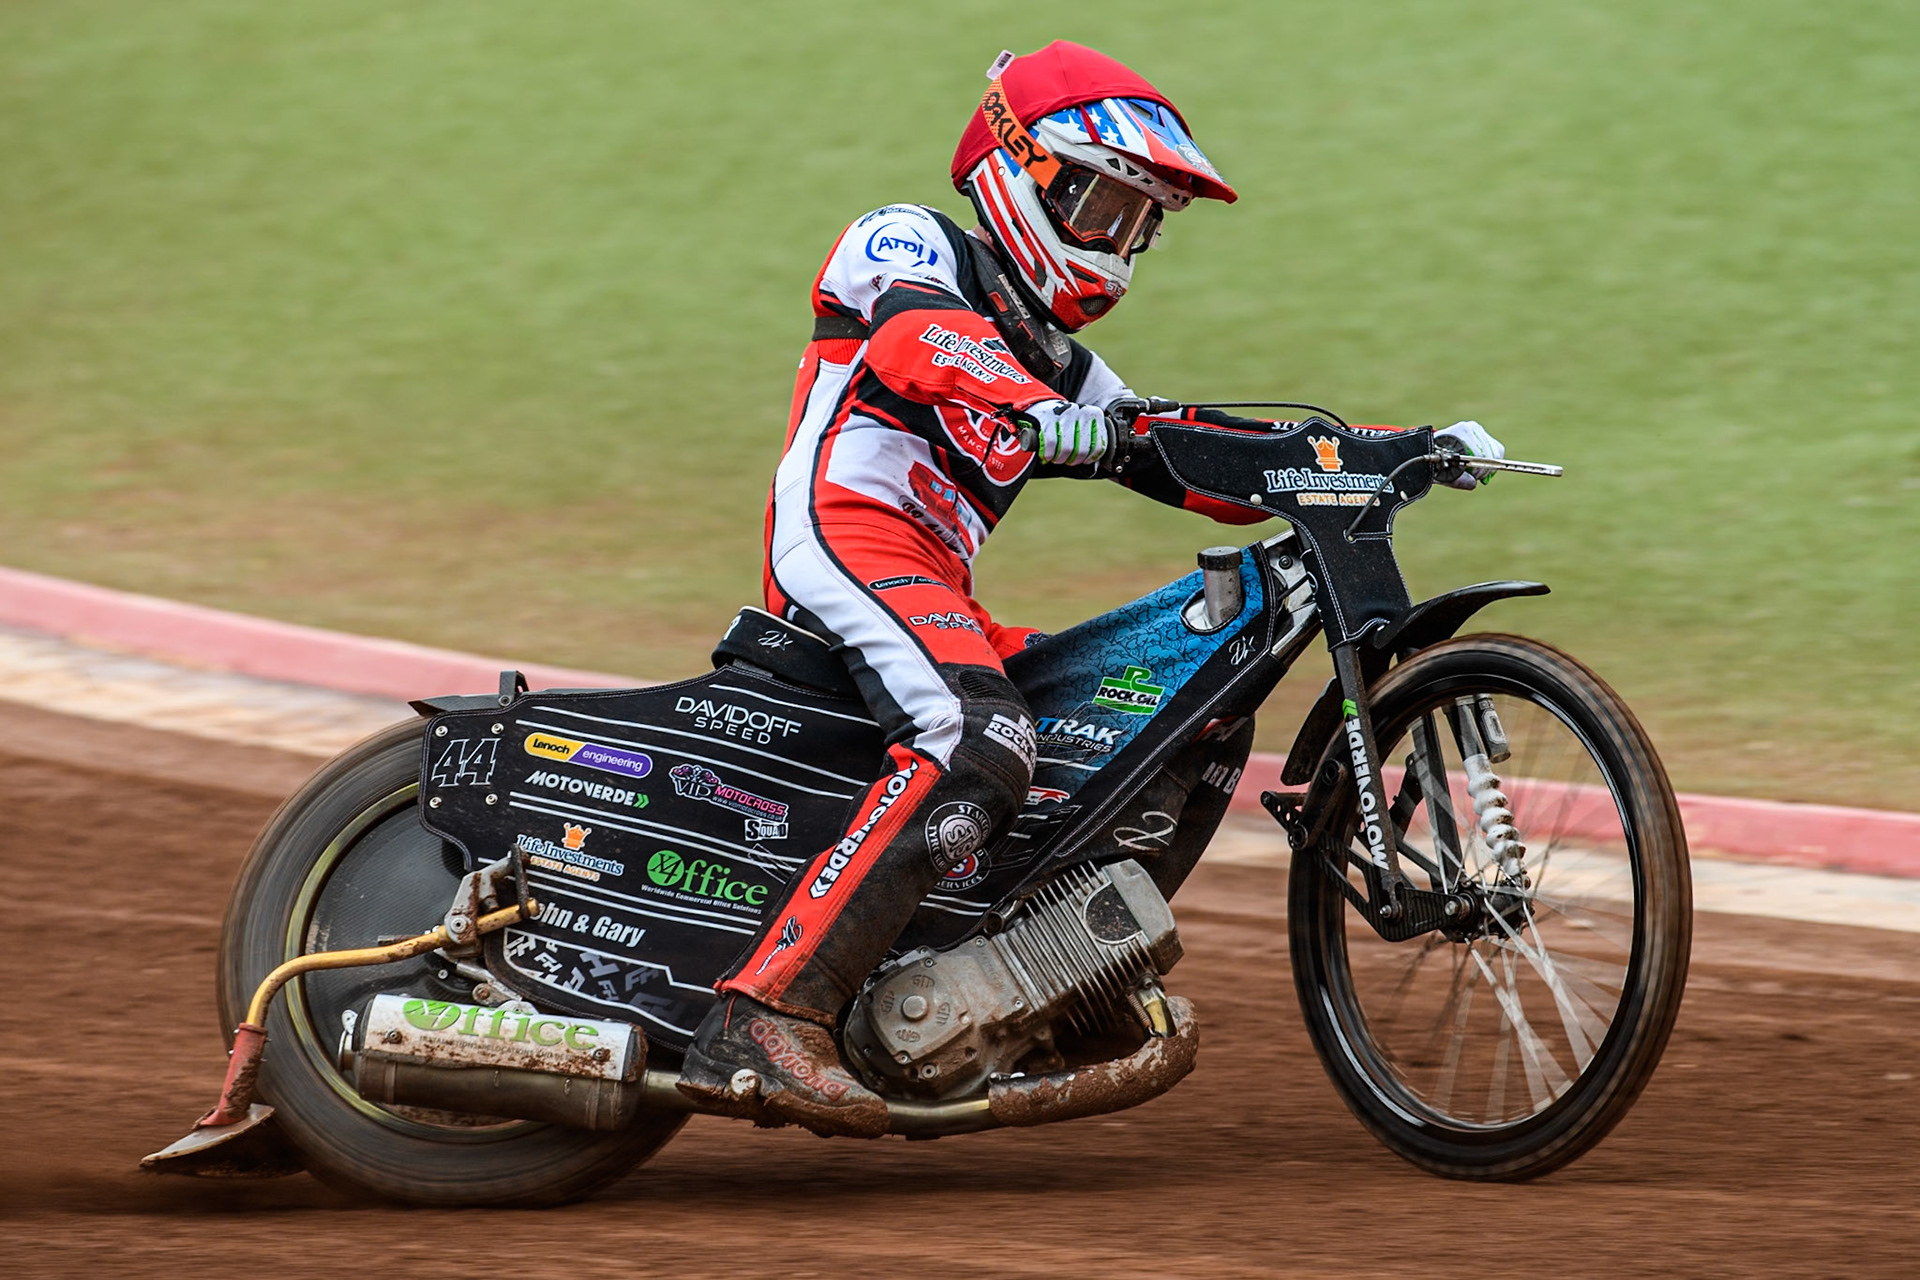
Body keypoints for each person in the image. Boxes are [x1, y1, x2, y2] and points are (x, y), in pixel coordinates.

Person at [679, 40, 1504, 1136]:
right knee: (975, 732)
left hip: (936, 589)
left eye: (1139, 223)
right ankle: (765, 1011)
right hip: (843, 538)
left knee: (1186, 715)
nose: (1118, 244)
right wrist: (1034, 405)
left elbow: (1191, 460)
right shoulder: (909, 240)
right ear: (1017, 167)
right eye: (1104, 204)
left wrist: (1372, 453)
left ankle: (1055, 972)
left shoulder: (1072, 372)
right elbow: (922, 341)